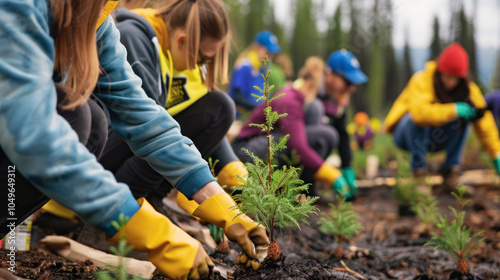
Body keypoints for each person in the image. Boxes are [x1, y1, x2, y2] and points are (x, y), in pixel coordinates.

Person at [0, 1, 267, 279]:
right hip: (24, 136)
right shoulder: (21, 6)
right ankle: (98, 224)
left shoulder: (97, 24)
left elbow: (142, 115)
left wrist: (219, 201)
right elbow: (33, 132)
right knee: (77, 117)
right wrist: (142, 226)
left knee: (89, 119)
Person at [98, 0, 249, 220]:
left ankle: (152, 200)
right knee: (156, 128)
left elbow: (212, 114)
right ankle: (121, 211)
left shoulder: (175, 50)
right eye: (202, 59)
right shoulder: (134, 37)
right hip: (98, 152)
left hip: (119, 143)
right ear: (183, 40)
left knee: (219, 105)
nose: (197, 66)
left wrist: (240, 181)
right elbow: (146, 126)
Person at [232, 57, 355, 200]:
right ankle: (280, 194)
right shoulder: (290, 100)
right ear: (310, 86)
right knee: (325, 135)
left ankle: (303, 193)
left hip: (258, 146)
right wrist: (333, 176)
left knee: (323, 134)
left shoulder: (294, 96)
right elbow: (298, 146)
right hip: (245, 151)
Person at [384, 43, 500, 190]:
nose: (450, 82)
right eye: (447, 76)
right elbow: (420, 114)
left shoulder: (469, 90)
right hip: (405, 136)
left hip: (437, 139)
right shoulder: (421, 80)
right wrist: (453, 109)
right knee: (414, 119)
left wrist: (496, 153)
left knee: (465, 119)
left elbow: (484, 122)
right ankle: (419, 176)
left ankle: (450, 174)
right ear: (440, 71)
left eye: (455, 78)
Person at [318, 49, 369, 199]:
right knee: (327, 136)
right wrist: (330, 175)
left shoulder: (338, 101)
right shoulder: (309, 96)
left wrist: (347, 166)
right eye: (347, 82)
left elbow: (342, 133)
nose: (352, 88)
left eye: (353, 83)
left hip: (313, 157)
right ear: (329, 75)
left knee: (332, 136)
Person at [228, 30, 281, 116]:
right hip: (238, 118)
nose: (270, 56)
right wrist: (260, 108)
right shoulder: (244, 66)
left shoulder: (261, 69)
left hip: (253, 118)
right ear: (257, 47)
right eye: (268, 51)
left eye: (272, 53)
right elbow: (237, 96)